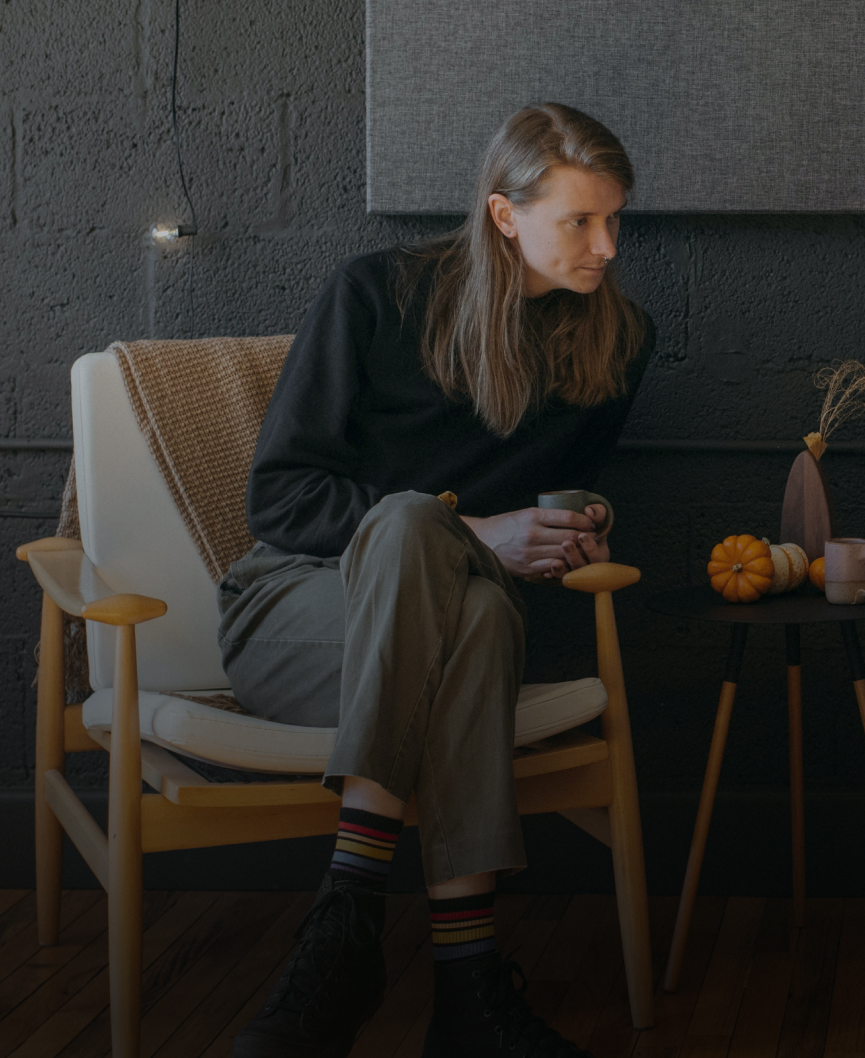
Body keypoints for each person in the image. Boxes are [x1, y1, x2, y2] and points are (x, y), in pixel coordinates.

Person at [222, 103, 649, 1058]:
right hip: (297, 610)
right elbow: (280, 502)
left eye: (616, 219)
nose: (608, 247)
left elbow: (553, 495)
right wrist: (470, 527)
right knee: (422, 530)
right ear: (504, 215)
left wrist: (573, 525)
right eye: (580, 221)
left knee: (481, 616)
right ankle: (449, 971)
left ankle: (366, 939)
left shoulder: (616, 343)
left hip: (456, 618)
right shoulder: (374, 294)